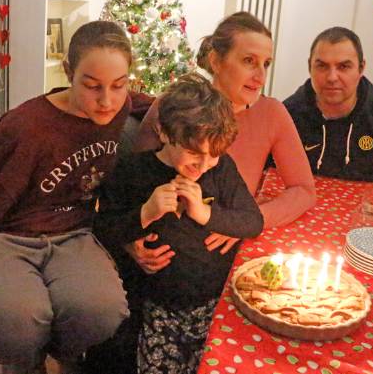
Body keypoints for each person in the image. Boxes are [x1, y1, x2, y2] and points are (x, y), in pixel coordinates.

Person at [0, 21, 136, 374]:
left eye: (118, 85)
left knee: (102, 309)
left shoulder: (121, 108)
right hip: (8, 239)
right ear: (68, 72)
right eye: (92, 86)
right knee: (10, 320)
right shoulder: (24, 127)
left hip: (74, 236)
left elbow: (154, 106)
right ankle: (28, 365)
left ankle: (60, 355)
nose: (107, 100)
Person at [93, 73, 264, 373]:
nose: (203, 165)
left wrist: (206, 214)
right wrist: (145, 213)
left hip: (213, 302)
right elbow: (103, 229)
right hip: (154, 306)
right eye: (193, 153)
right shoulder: (132, 171)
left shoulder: (221, 169)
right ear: (163, 131)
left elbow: (253, 221)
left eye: (213, 155)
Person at [282, 26, 373, 186]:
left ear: (361, 68)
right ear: (310, 66)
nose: (332, 77)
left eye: (343, 67)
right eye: (322, 66)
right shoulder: (286, 116)